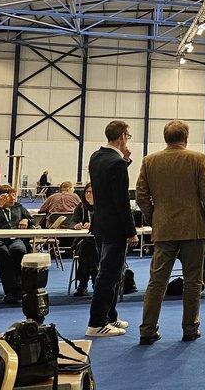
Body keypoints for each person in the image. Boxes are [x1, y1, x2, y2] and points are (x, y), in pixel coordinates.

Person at [137, 120, 205, 344]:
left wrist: (154, 216)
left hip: (164, 229)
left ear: (165, 138)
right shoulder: (197, 158)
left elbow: (141, 195)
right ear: (186, 138)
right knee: (193, 281)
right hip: (194, 228)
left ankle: (147, 330)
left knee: (157, 281)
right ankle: (190, 329)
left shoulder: (149, 161)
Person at [86, 120, 136, 338]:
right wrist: (131, 230)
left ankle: (110, 316)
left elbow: (107, 183)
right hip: (115, 227)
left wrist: (124, 161)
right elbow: (121, 200)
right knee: (109, 275)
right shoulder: (115, 163)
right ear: (123, 136)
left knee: (112, 274)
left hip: (100, 224)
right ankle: (96, 322)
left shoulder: (96, 157)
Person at [0, 184, 33, 304]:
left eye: (14, 195)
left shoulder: (19, 207)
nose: (13, 198)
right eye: (9, 196)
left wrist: (26, 219)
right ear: (0, 197)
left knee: (19, 251)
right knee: (2, 253)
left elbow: (32, 219)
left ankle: (17, 288)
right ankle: (12, 291)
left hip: (14, 239)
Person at [70, 183, 98, 297]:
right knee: (88, 245)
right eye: (87, 192)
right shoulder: (80, 207)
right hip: (82, 241)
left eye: (92, 192)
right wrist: (76, 225)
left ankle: (83, 284)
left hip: (100, 243)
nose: (89, 194)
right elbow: (72, 222)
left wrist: (93, 225)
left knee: (89, 247)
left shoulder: (103, 208)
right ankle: (96, 281)